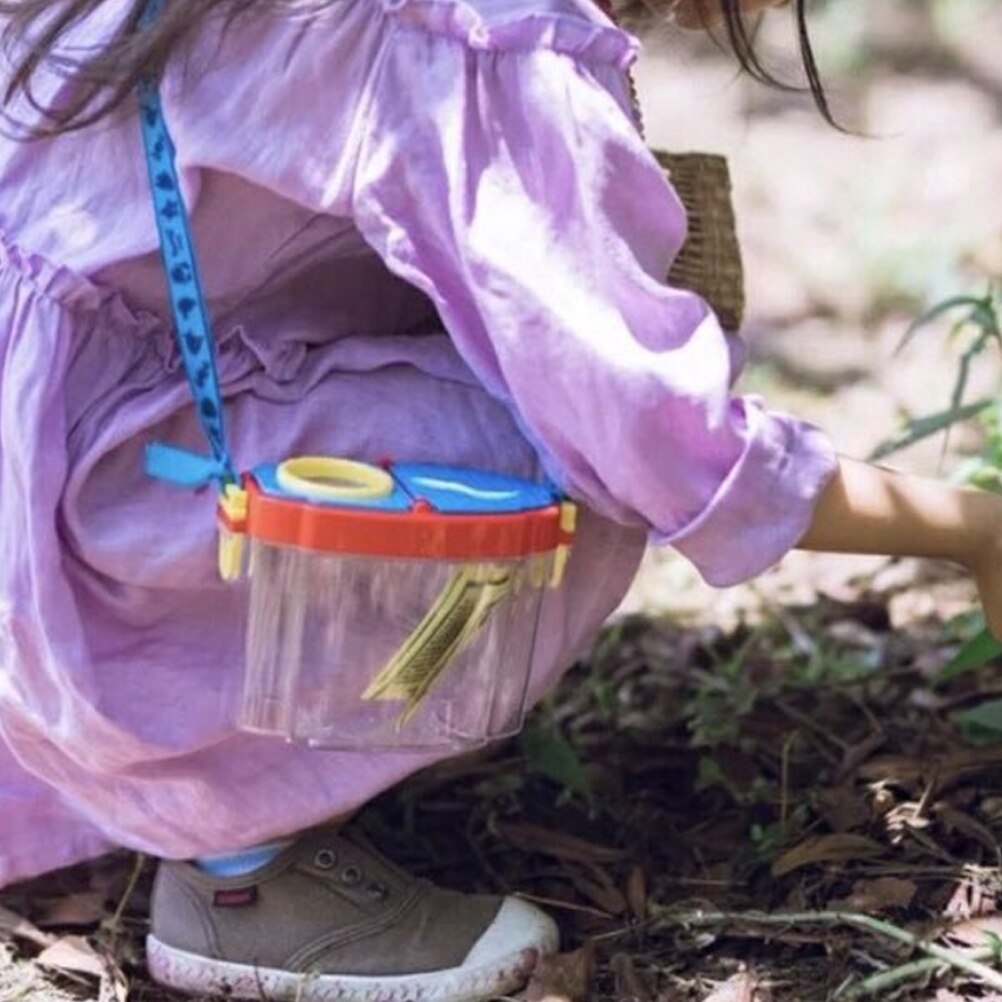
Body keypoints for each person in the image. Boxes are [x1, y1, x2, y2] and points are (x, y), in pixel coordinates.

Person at [1, 0, 1000, 998]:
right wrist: (972, 532)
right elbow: (646, 428)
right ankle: (245, 876)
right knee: (557, 470)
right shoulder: (487, 32)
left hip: (41, 454)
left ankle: (159, 742)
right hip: (100, 504)